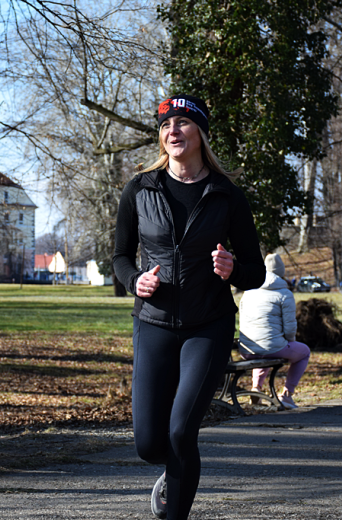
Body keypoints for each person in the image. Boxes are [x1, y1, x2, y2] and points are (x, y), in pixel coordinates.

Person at [113, 94, 265, 519]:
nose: (172, 131)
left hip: (208, 325)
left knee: (181, 432)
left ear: (200, 133)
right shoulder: (140, 188)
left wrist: (233, 268)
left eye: (182, 122)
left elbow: (254, 272)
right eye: (165, 125)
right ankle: (170, 473)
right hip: (154, 322)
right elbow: (120, 256)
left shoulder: (226, 195)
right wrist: (133, 280)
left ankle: (176, 508)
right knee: (148, 444)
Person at [238, 253, 311, 409]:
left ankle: (256, 388)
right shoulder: (284, 294)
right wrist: (290, 342)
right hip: (271, 347)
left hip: (246, 348)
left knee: (263, 347)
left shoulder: (248, 292)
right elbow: (290, 326)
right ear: (281, 272)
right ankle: (287, 395)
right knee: (304, 352)